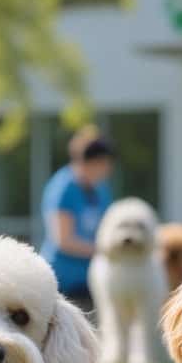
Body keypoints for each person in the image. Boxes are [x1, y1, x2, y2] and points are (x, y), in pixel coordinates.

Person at [40, 125, 115, 310]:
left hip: (91, 279)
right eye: (104, 163)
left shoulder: (101, 189)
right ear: (91, 162)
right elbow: (63, 240)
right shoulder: (63, 188)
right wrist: (105, 250)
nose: (108, 169)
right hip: (62, 281)